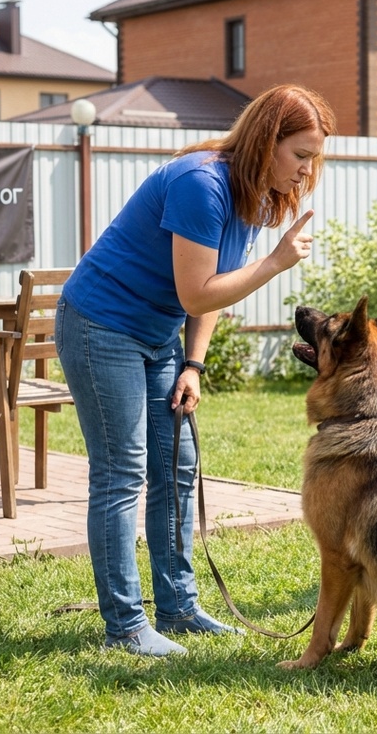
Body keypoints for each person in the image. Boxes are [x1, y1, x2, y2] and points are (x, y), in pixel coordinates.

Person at [56, 84, 337, 655]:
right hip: (100, 323)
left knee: (177, 465)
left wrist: (193, 363)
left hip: (158, 335)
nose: (307, 171)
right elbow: (198, 291)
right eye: (301, 155)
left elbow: (208, 293)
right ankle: (126, 627)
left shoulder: (255, 192)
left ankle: (179, 608)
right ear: (267, 141)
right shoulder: (200, 184)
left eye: (314, 158)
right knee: (121, 473)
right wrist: (277, 262)